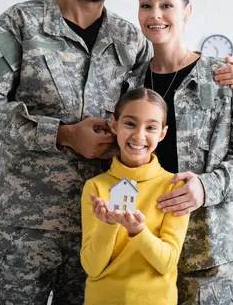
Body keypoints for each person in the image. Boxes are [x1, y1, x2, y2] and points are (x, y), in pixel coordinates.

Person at [0, 0, 233, 305]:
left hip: (102, 228)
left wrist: (224, 73)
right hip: (26, 225)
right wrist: (60, 133)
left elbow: (166, 87)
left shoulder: (130, 40)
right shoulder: (21, 24)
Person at [120, 0, 233, 305]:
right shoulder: (129, 85)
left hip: (210, 253)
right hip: (144, 247)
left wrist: (205, 187)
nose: (155, 14)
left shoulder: (221, 77)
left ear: (186, 12)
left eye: (166, 5)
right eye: (146, 5)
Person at [81, 87, 190, 305]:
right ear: (114, 125)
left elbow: (166, 263)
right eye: (130, 123)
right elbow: (92, 266)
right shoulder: (96, 187)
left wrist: (137, 231)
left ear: (162, 134)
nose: (139, 135)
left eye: (150, 127)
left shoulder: (174, 187)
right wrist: (108, 224)